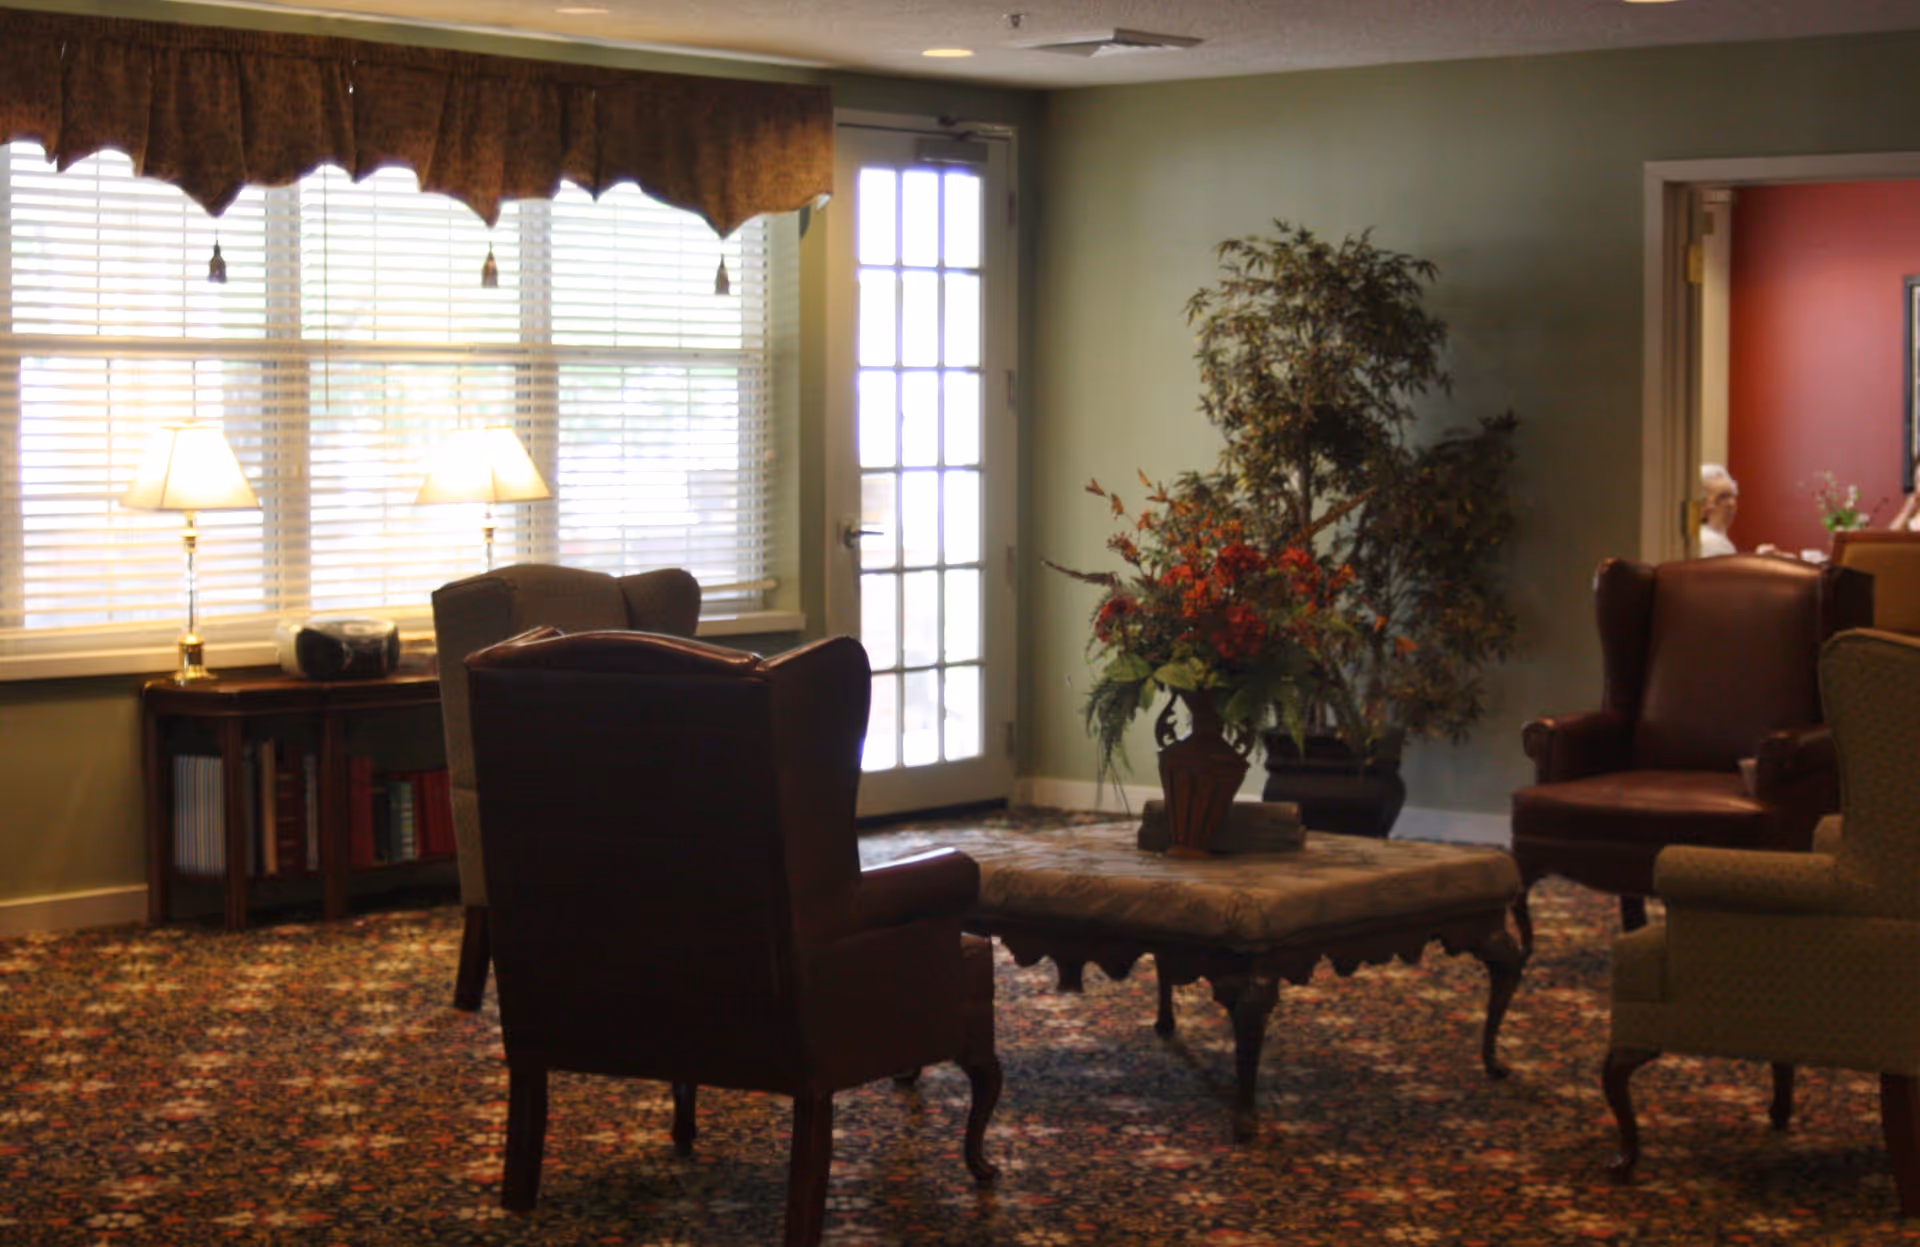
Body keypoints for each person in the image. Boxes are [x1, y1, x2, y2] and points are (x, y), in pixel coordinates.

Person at [1699, 463, 1738, 557]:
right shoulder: (1712, 542)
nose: (1731, 504)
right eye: (1722, 497)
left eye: (1732, 496)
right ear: (1702, 505)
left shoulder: (1717, 539)